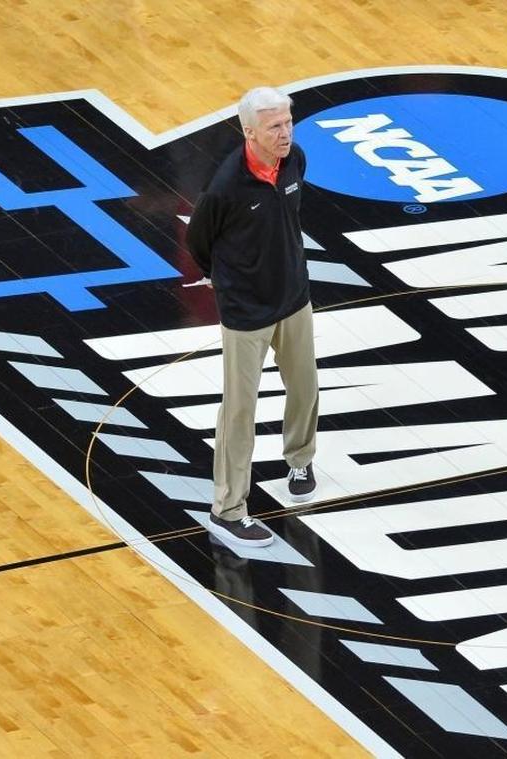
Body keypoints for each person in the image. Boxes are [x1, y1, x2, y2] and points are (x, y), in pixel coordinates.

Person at [185, 86, 319, 548]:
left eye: (288, 122)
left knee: (305, 385)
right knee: (240, 411)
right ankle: (227, 510)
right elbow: (199, 241)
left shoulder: (295, 160)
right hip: (246, 312)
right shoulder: (226, 186)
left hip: (294, 298)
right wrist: (223, 278)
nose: (285, 133)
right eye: (274, 126)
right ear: (249, 132)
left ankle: (300, 459)